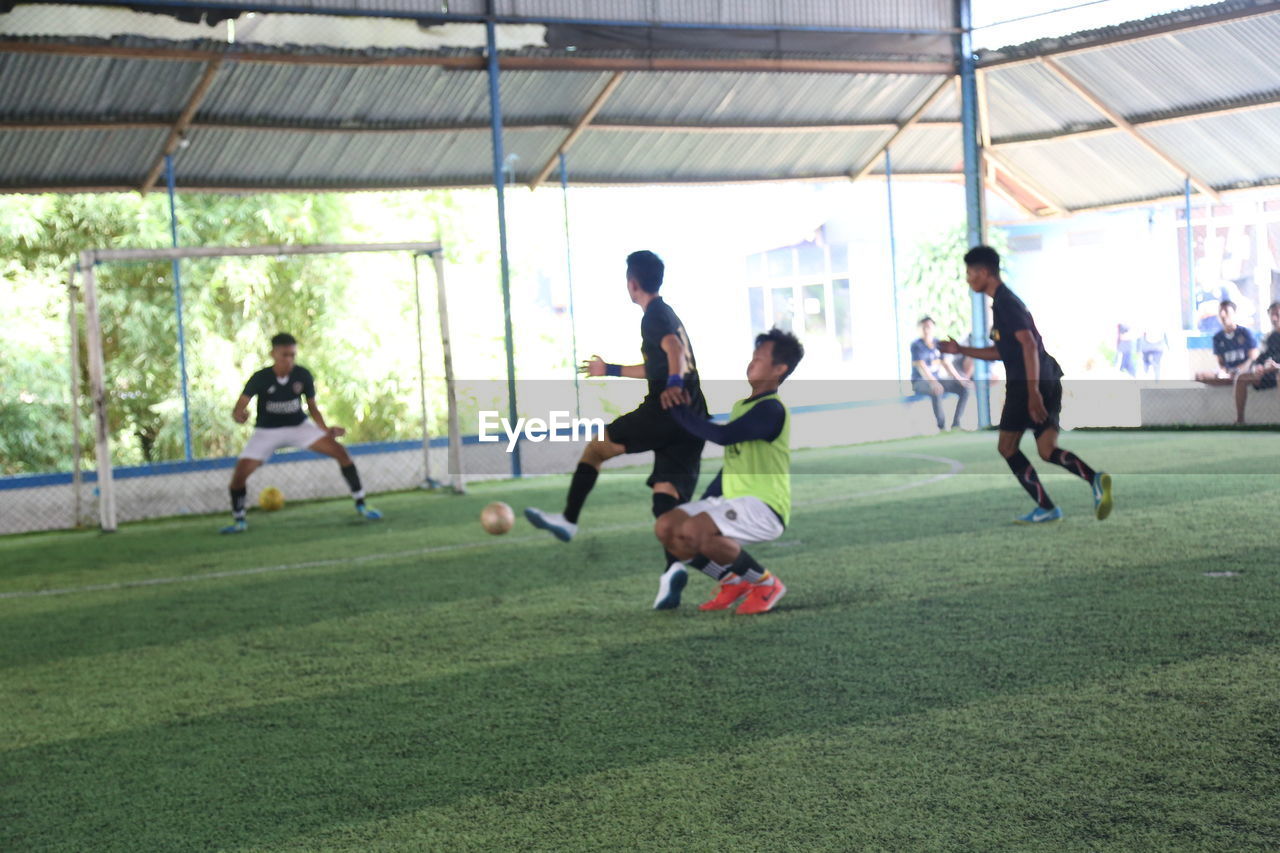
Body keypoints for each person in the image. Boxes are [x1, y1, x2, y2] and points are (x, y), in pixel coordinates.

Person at [524, 250, 709, 602]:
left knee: (595, 449)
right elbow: (658, 363)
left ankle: (568, 519)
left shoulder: (654, 315)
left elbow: (673, 352)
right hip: (693, 420)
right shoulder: (668, 314)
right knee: (664, 497)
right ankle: (673, 570)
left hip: (666, 412)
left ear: (632, 283)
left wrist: (672, 385)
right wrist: (609, 369)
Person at [939, 246, 1112, 524]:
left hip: (1027, 384)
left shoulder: (1006, 303)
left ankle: (1046, 508)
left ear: (984, 272)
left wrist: (1032, 393)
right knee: (1046, 451)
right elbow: (1003, 351)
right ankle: (1095, 479)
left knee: (1007, 447)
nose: (968, 279)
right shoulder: (1004, 304)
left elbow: (1029, 345)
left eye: (970, 273)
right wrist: (960, 348)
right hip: (1047, 377)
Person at [653, 328, 804, 614]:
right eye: (753, 356)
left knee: (694, 531)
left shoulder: (771, 409)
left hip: (764, 506)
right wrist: (710, 496)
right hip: (732, 499)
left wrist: (679, 411)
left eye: (759, 358)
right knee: (667, 527)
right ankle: (732, 581)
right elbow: (737, 458)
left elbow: (724, 437)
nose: (751, 362)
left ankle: (766, 583)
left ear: (779, 369)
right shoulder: (742, 406)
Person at [221, 332, 380, 534]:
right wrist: (239, 416)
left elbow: (313, 408)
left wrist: (326, 430)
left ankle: (361, 504)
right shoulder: (260, 378)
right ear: (273, 354)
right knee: (239, 475)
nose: (289, 360)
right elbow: (239, 407)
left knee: (341, 453)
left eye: (292, 355)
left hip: (299, 427)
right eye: (284, 355)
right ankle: (239, 520)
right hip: (266, 431)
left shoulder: (302, 375)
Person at [909, 315, 972, 430]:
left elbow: (946, 364)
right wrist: (933, 382)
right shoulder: (916, 345)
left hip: (937, 379)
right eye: (924, 327)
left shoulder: (938, 343)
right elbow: (922, 367)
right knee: (936, 389)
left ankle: (956, 425)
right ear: (919, 329)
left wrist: (960, 379)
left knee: (965, 389)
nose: (927, 330)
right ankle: (941, 427)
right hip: (920, 381)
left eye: (929, 327)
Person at [1234, 301, 1280, 424]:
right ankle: (1240, 420)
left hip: (1278, 373)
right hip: (1268, 374)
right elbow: (1259, 359)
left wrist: (1277, 367)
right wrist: (1257, 368)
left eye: (1278, 314)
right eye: (1272, 315)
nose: (1275, 318)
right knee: (1241, 378)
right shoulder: (1270, 338)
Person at [1196, 300, 1258, 385]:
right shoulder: (1217, 338)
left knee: (1246, 377)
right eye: (1220, 312)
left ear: (1234, 314)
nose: (1223, 315)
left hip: (1245, 371)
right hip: (1228, 374)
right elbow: (1221, 363)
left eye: (1226, 311)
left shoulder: (1246, 333)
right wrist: (1224, 372)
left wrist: (1238, 371)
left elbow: (1253, 357)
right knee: (1199, 376)